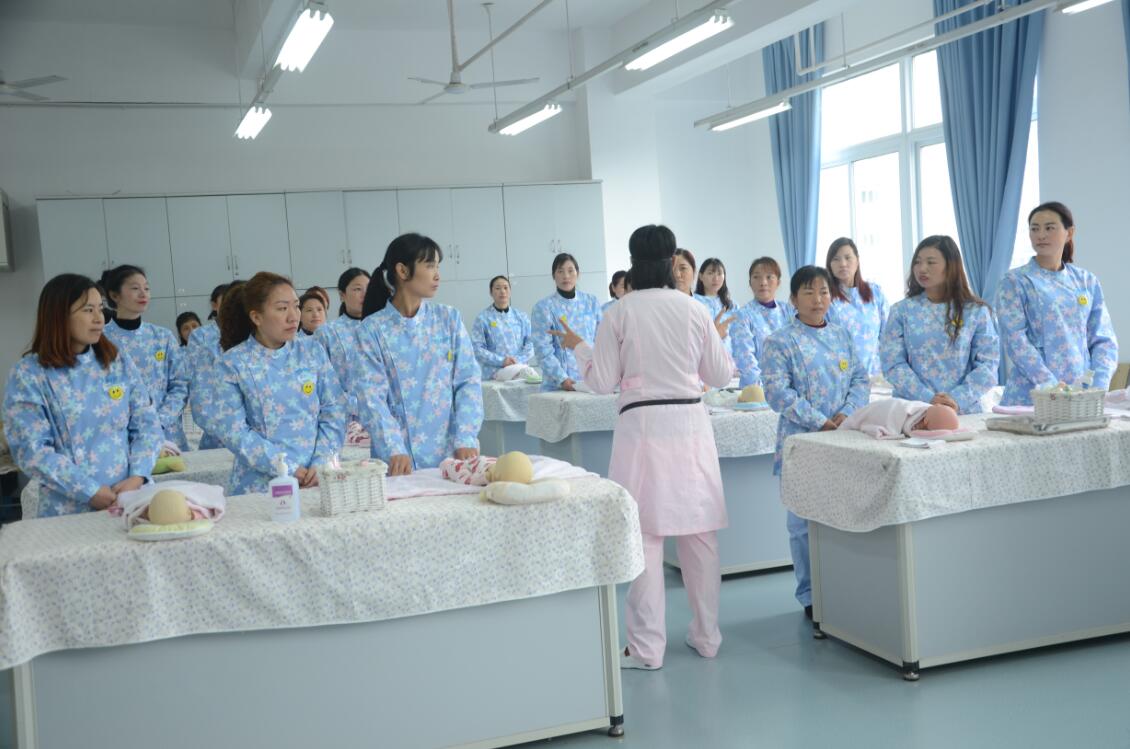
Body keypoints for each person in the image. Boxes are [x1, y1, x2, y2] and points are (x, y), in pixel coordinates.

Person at [551, 225, 733, 670]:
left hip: (643, 427)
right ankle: (707, 637)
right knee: (700, 536)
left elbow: (600, 381)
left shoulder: (619, 312)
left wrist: (579, 348)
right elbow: (721, 375)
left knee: (646, 537)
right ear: (673, 263)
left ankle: (647, 649)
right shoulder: (693, 309)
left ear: (633, 263)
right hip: (690, 425)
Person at [3, 274, 163, 517]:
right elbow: (31, 450)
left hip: (128, 500)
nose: (99, 319)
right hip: (67, 509)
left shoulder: (116, 362)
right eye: (88, 310)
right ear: (58, 315)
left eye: (100, 308)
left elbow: (147, 424)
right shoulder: (29, 374)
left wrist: (138, 476)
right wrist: (89, 491)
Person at [761, 265, 870, 618]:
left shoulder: (842, 336)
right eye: (808, 292)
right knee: (801, 524)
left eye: (823, 291)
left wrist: (846, 413)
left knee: (843, 515)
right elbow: (777, 392)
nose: (817, 299)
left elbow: (860, 379)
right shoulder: (779, 341)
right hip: (802, 442)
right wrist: (819, 421)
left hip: (843, 437)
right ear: (793, 299)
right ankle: (810, 595)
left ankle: (844, 589)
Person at [199, 272, 347, 495]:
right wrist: (285, 466)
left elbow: (334, 410)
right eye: (282, 308)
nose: (293, 316)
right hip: (260, 486)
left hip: (317, 479)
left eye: (296, 306)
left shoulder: (312, 351)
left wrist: (322, 461)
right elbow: (234, 431)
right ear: (256, 317)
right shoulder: (232, 364)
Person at [354, 233, 483, 475]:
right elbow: (371, 397)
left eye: (438, 266)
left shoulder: (448, 319)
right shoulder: (371, 330)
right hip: (397, 460)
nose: (437, 275)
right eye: (430, 265)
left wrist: (466, 437)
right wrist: (393, 447)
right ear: (402, 271)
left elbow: (468, 381)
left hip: (453, 455)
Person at [996, 202, 1119, 404]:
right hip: (1031, 395)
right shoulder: (1015, 281)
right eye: (1034, 229)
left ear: (1069, 233)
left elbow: (1103, 339)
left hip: (1082, 397)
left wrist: (1098, 387)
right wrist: (1052, 388)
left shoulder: (1086, 281)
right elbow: (1015, 340)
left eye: (1049, 228)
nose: (1041, 235)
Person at [881, 236, 999, 414]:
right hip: (913, 410)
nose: (922, 268)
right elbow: (892, 364)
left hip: (962, 411)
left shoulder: (975, 311)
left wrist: (956, 399)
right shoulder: (901, 311)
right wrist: (927, 397)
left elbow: (988, 365)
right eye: (917, 262)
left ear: (951, 266)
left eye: (931, 262)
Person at [100, 265, 190, 451]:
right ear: (115, 295)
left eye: (146, 288)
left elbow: (180, 384)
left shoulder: (162, 337)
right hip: (121, 437)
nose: (143, 294)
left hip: (166, 433)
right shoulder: (100, 340)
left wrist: (160, 420)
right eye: (135, 288)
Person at [530, 253, 603, 392]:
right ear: (553, 275)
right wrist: (562, 379)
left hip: (592, 380)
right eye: (560, 271)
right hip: (559, 384)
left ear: (578, 274)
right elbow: (542, 349)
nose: (566, 276)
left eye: (570, 271)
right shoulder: (543, 307)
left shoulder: (591, 302)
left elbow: (601, 340)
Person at [186, 280, 244, 450]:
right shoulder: (206, 343)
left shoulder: (264, 343)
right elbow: (201, 397)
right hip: (221, 439)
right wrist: (232, 434)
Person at [825, 238, 889, 377]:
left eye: (848, 258)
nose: (843, 264)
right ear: (830, 265)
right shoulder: (826, 298)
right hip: (840, 375)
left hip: (876, 374)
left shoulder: (875, 292)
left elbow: (888, 335)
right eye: (836, 259)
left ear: (857, 260)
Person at [315, 268, 370, 420]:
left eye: (368, 288)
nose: (364, 294)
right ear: (342, 295)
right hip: (343, 416)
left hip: (383, 415)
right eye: (357, 289)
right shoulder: (326, 333)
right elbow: (321, 381)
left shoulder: (382, 328)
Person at [731, 258, 793, 388]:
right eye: (756, 277)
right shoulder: (743, 315)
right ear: (750, 283)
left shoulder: (788, 311)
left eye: (769, 277)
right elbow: (745, 357)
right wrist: (763, 389)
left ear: (778, 282)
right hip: (758, 390)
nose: (763, 283)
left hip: (790, 387)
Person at [471, 275, 534, 380]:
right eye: (498, 288)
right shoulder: (483, 318)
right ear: (491, 292)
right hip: (493, 373)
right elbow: (477, 349)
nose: (502, 291)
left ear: (510, 291)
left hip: (519, 368)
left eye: (505, 288)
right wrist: (502, 361)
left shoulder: (521, 317)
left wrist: (517, 360)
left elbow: (531, 343)